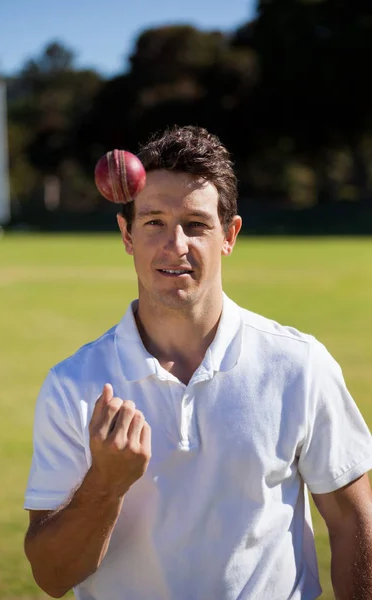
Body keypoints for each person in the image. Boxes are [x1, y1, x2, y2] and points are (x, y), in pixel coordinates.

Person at [24, 125, 372, 600]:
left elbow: (354, 520)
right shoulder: (73, 384)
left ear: (229, 235)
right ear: (127, 235)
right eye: (154, 223)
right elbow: (51, 577)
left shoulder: (299, 364)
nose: (176, 245)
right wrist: (104, 486)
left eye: (196, 224)